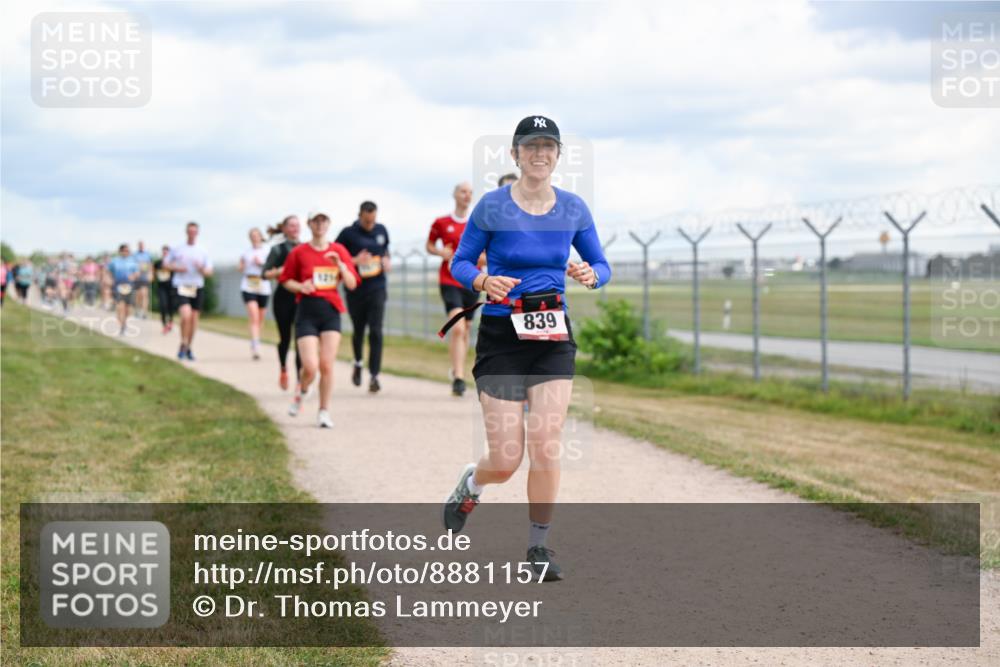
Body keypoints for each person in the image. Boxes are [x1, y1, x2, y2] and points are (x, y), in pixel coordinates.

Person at [441, 115, 611, 582]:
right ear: (515, 155)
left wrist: (592, 275)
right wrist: (481, 279)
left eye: (548, 147)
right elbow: (458, 261)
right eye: (531, 146)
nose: (540, 154)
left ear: (558, 156)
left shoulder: (573, 209)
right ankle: (472, 485)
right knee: (507, 458)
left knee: (546, 444)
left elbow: (600, 262)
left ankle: (538, 547)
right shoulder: (492, 207)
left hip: (552, 336)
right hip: (501, 336)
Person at [279, 213, 360, 428]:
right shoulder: (299, 252)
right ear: (309, 224)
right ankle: (302, 390)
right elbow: (285, 279)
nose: (320, 225)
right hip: (306, 313)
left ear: (329, 224)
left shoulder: (339, 250)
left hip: (331, 312)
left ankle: (324, 411)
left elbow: (352, 284)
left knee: (326, 365)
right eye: (315, 221)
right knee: (310, 366)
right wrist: (301, 286)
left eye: (323, 221)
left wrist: (341, 265)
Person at [427, 182, 484, 396]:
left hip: (473, 281)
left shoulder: (478, 224)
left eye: (470, 192)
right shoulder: (442, 222)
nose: (467, 195)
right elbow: (430, 245)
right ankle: (459, 377)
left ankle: (456, 369)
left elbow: (488, 255)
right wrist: (440, 252)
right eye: (463, 191)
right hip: (449, 280)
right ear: (455, 195)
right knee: (457, 328)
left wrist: (477, 258)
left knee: (466, 330)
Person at [335, 201, 390, 393]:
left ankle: (375, 375)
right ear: (360, 216)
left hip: (377, 287)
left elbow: (385, 251)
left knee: (376, 331)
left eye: (373, 220)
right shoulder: (347, 234)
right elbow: (335, 258)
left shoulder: (382, 230)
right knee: (359, 330)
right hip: (356, 290)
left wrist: (386, 260)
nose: (370, 224)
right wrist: (355, 261)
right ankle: (358, 362)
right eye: (367, 221)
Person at [263, 215, 302, 390]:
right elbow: (265, 273)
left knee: (302, 339)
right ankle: (283, 369)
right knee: (285, 338)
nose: (295, 229)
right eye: (291, 226)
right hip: (283, 298)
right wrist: (280, 271)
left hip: (301, 297)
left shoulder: (305, 248)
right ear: (285, 229)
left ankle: (301, 378)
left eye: (297, 226)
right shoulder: (278, 250)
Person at [165, 221, 213, 361]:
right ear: (186, 232)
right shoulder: (178, 248)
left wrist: (201, 269)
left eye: (194, 231)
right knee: (185, 315)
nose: (192, 234)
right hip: (181, 285)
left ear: (197, 233)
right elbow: (165, 264)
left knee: (193, 319)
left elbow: (209, 271)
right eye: (190, 231)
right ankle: (183, 343)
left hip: (197, 286)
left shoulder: (203, 250)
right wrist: (177, 268)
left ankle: (188, 347)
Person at [239, 227, 272, 360]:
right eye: (252, 235)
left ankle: (257, 339)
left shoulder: (267, 251)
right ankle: (255, 346)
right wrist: (244, 266)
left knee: (260, 318)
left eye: (256, 235)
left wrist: (261, 264)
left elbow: (271, 267)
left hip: (263, 285)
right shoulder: (246, 252)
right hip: (248, 285)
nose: (254, 237)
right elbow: (240, 267)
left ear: (260, 236)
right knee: (254, 316)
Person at [107, 244, 140, 335]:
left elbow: (137, 273)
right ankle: (122, 326)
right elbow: (109, 271)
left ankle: (125, 323)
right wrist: (110, 280)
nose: (126, 252)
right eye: (124, 250)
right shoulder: (114, 261)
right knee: (120, 307)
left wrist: (133, 276)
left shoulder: (133, 261)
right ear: (120, 251)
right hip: (118, 286)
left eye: (127, 251)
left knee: (128, 308)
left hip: (129, 286)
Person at [153, 245, 174, 333]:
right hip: (161, 287)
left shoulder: (173, 262)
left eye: (167, 252)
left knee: (170, 306)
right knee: (163, 305)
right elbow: (153, 272)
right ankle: (164, 325)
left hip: (171, 287)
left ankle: (170, 321)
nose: (165, 253)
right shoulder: (158, 263)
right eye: (164, 252)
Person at [133, 241, 153, 319]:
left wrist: (150, 274)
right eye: (140, 245)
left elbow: (150, 265)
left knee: (144, 294)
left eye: (142, 245)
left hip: (145, 277)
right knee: (138, 295)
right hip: (137, 277)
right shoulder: (135, 255)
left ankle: (144, 312)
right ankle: (137, 310)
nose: (141, 246)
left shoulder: (148, 254)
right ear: (138, 246)